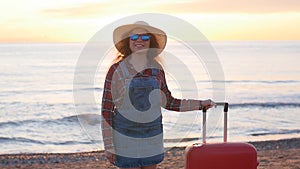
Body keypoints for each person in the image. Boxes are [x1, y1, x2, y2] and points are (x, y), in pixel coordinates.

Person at [101, 21, 216, 169]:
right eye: (134, 37)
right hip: (125, 137)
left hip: (151, 136)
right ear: (128, 42)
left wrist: (200, 104)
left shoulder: (157, 69)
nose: (139, 41)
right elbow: (106, 110)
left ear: (151, 42)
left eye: (145, 37)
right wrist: (109, 145)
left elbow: (169, 102)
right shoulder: (116, 70)